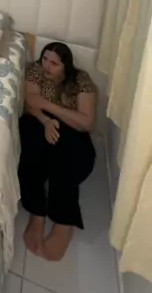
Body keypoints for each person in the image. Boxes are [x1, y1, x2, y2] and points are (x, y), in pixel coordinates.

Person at [18, 41, 97, 262]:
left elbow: (86, 123)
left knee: (65, 162)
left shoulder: (80, 80)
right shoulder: (35, 71)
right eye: (45, 59)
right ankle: (37, 213)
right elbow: (31, 101)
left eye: (54, 63)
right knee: (28, 139)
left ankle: (64, 223)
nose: (47, 66)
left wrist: (52, 111)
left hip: (71, 134)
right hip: (39, 124)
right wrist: (46, 121)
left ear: (65, 66)